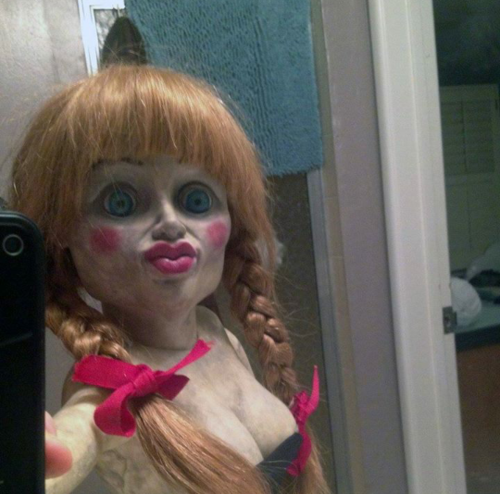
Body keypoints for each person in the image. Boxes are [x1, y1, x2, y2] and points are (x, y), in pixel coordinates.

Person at [11, 64, 328, 494]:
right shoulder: (105, 399)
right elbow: (49, 469)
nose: (171, 223)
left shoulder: (217, 335)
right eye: (120, 201)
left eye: (196, 198)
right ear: (61, 234)